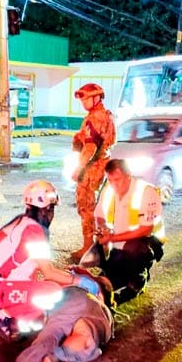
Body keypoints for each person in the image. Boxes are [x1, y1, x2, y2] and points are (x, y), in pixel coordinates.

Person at [0, 180, 100, 337]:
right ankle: (0, 319)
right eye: (52, 209)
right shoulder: (34, 232)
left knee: (33, 283)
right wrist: (80, 281)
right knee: (51, 293)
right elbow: (49, 273)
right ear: (47, 209)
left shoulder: (21, 222)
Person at [93, 159, 165, 305]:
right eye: (110, 180)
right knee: (106, 279)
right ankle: (116, 274)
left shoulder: (147, 192)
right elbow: (99, 214)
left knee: (133, 252)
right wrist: (103, 227)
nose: (114, 184)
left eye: (117, 180)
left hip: (145, 243)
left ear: (128, 176)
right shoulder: (109, 190)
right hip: (118, 243)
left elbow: (145, 229)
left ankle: (138, 280)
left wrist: (111, 238)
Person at [15, 282, 113, 362]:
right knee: (86, 338)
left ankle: (47, 347)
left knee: (57, 330)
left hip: (74, 301)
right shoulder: (95, 287)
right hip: (90, 310)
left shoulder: (91, 283)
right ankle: (54, 354)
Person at [70, 83, 116, 261]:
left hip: (92, 169)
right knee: (99, 209)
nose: (83, 102)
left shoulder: (94, 118)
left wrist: (78, 168)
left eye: (86, 99)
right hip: (103, 167)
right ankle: (103, 247)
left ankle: (89, 248)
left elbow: (90, 147)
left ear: (96, 98)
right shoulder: (106, 115)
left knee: (86, 208)